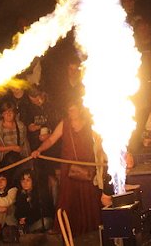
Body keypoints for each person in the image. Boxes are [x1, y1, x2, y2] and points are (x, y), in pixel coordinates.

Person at [30, 101, 101, 237]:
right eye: (69, 110)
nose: (71, 113)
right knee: (68, 197)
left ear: (80, 110)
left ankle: (91, 225)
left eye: (73, 110)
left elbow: (99, 141)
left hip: (87, 166)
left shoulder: (90, 124)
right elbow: (51, 140)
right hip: (69, 167)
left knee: (88, 196)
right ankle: (64, 227)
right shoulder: (65, 123)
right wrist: (39, 150)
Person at [0, 102, 29, 174]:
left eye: (10, 111)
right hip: (5, 161)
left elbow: (25, 144)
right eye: (5, 112)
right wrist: (12, 147)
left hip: (20, 159)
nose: (8, 113)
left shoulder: (21, 126)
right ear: (2, 114)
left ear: (14, 113)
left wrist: (28, 160)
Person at [14, 169, 53, 234]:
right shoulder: (20, 193)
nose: (25, 183)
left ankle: (27, 231)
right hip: (26, 222)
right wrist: (21, 218)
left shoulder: (40, 193)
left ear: (33, 181)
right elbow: (18, 209)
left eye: (28, 180)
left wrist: (27, 219)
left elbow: (42, 211)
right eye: (22, 181)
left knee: (46, 222)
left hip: (39, 220)